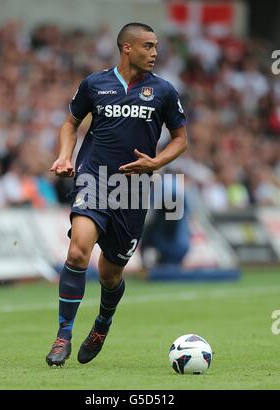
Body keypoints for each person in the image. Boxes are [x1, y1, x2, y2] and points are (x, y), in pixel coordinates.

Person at [46, 22, 188, 367]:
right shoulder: (96, 84)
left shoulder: (165, 91)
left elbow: (181, 139)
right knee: (78, 251)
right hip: (94, 179)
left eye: (156, 47)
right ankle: (63, 334)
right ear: (127, 48)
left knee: (110, 275)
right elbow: (70, 123)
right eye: (148, 46)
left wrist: (155, 162)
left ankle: (102, 323)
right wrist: (65, 156)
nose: (155, 53)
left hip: (134, 190)